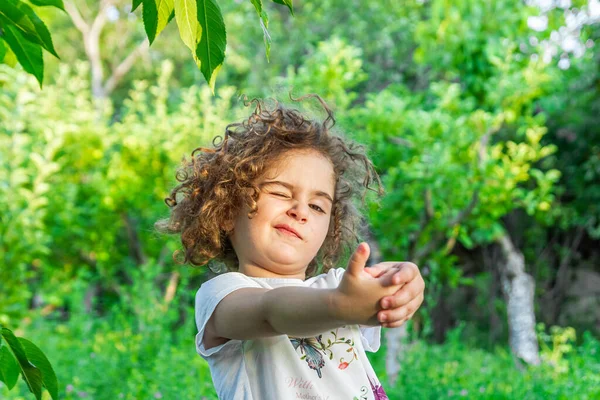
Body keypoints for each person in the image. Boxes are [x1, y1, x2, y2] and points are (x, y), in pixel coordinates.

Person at [157, 95, 425, 400]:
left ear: (330, 229)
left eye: (317, 205)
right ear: (229, 210)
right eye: (281, 193)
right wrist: (340, 305)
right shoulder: (222, 297)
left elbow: (380, 293)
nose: (301, 210)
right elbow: (271, 310)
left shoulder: (336, 285)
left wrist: (405, 281)